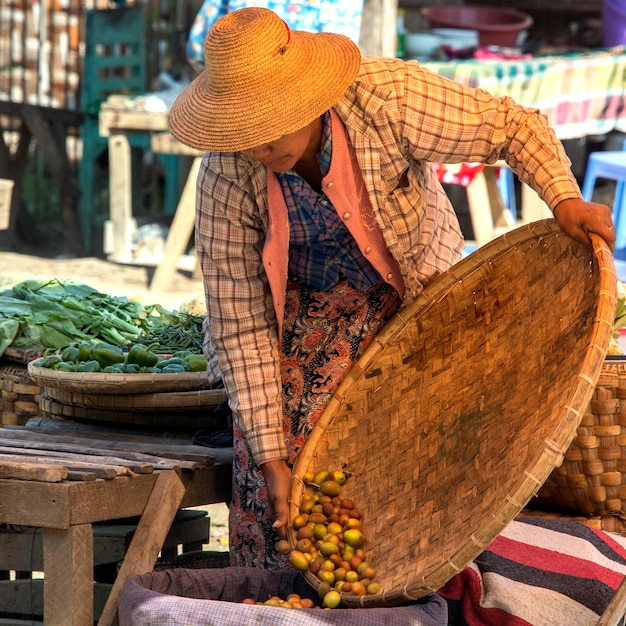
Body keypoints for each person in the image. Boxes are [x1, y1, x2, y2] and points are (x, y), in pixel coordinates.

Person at [168, 7, 616, 569]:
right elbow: (241, 324)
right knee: (281, 467)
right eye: (247, 133)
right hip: (303, 308)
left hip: (412, 290)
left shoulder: (385, 98)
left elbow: (512, 126)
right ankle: (281, 595)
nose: (261, 147)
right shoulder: (226, 176)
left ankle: (412, 572)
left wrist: (564, 198)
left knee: (406, 439)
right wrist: (271, 457)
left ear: (308, 99)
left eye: (273, 125)